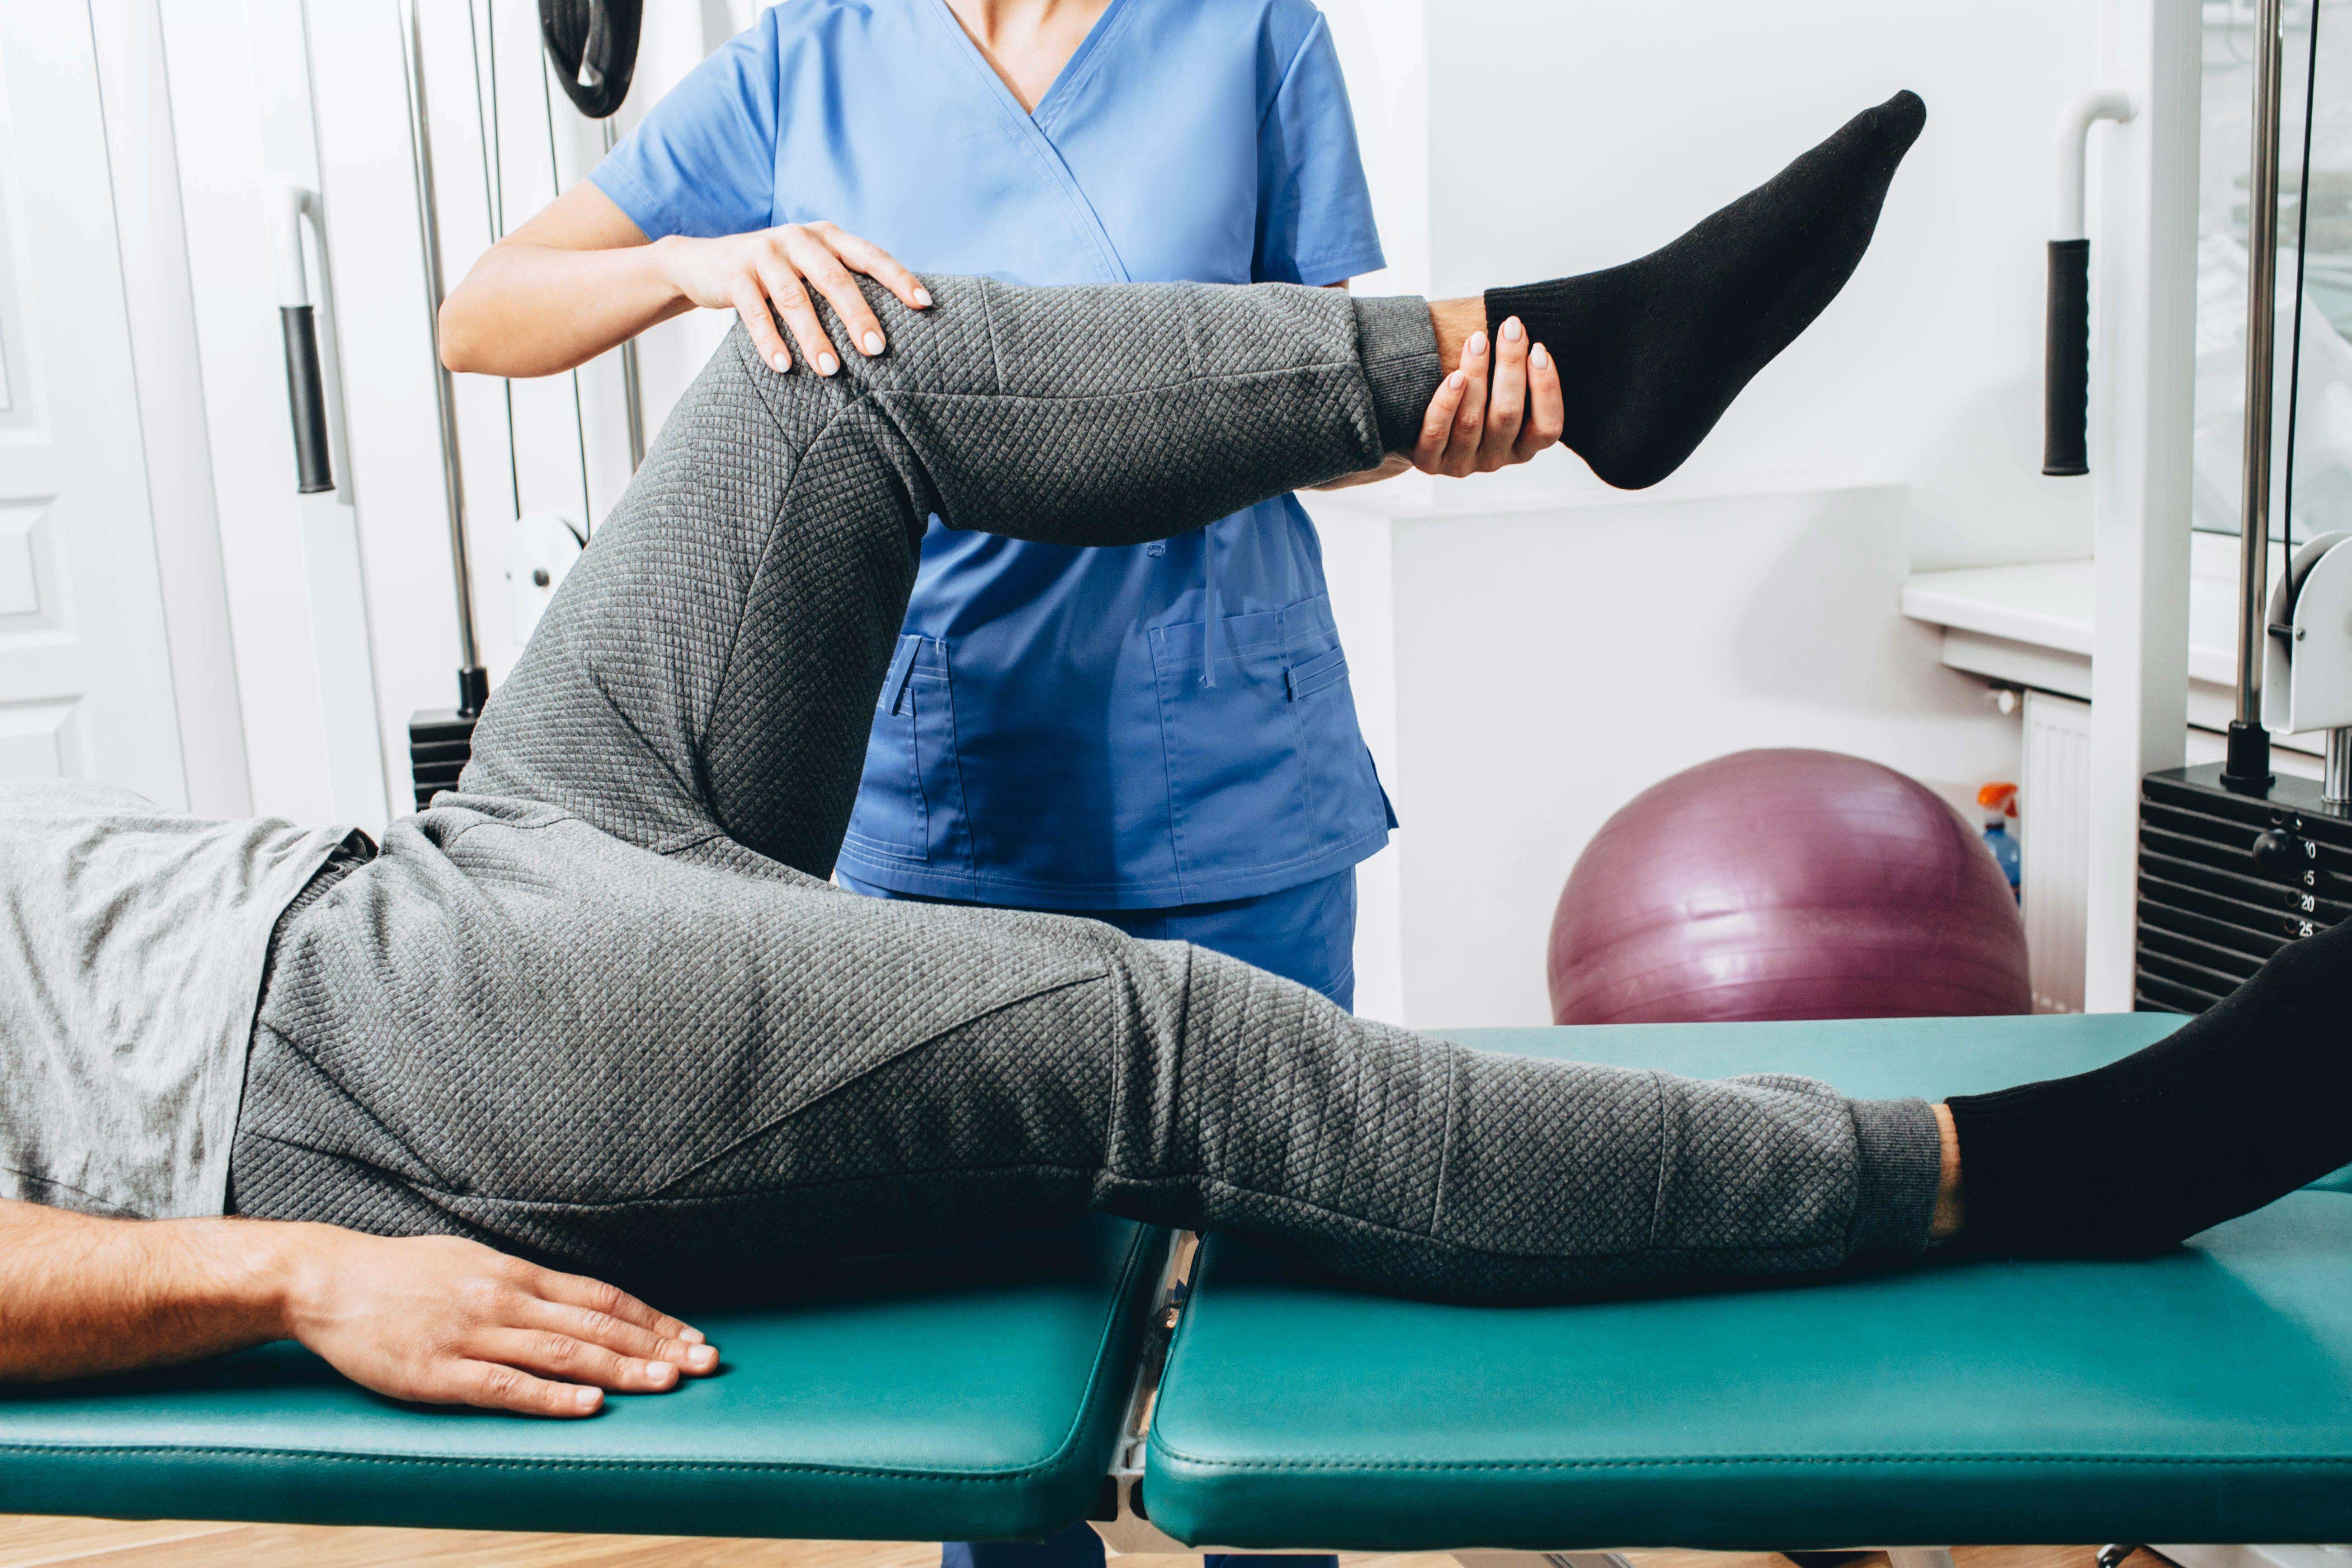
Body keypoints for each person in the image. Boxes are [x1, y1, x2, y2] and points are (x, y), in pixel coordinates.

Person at [17, 94, 2340, 1432]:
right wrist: (294, 1275)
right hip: (338, 1061)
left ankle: (1571, 347)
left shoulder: (1226, 29)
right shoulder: (802, 41)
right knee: (1162, 1045)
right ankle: (2026, 1166)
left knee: (826, 370)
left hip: (432, 861)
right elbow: (485, 307)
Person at [438, 0, 1565, 1044]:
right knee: (996, 1247)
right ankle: (1618, 330)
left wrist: (1443, 432)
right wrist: (690, 266)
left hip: (1227, 769)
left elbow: (1308, 400)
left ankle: (1608, 337)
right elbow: (481, 315)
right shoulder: (805, 62)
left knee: (1268, 1228)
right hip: (950, 795)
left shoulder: (1250, 29)